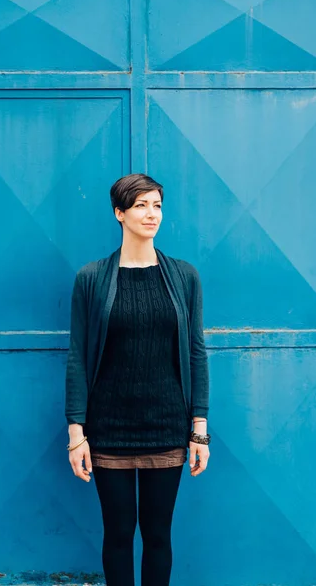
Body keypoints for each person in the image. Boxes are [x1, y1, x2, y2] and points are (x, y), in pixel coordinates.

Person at [65, 173, 210, 586]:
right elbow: (77, 356)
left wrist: (199, 429)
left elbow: (197, 353)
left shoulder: (184, 276)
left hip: (166, 427)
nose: (152, 214)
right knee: (118, 536)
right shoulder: (91, 278)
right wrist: (77, 433)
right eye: (141, 205)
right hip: (109, 429)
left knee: (159, 537)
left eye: (157, 205)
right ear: (119, 213)